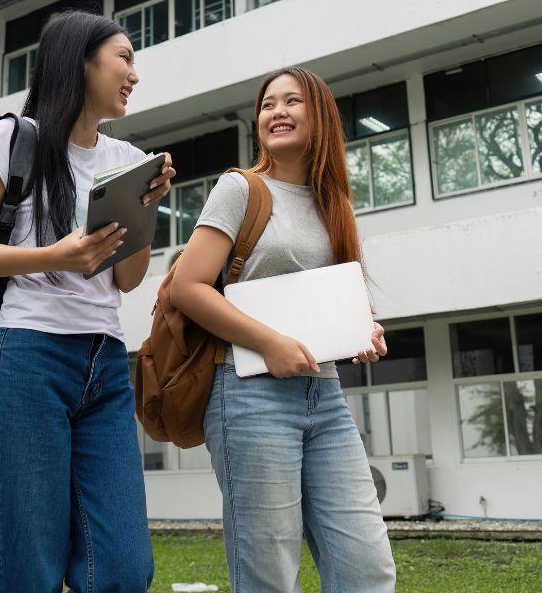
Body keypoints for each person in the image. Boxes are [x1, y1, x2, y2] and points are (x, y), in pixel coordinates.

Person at [0, 9, 175, 592]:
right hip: (27, 356)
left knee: (122, 567)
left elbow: (127, 281)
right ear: (82, 60)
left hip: (106, 361)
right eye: (124, 57)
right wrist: (54, 257)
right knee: (28, 561)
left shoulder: (127, 160)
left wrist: (144, 212)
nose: (134, 75)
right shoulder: (16, 137)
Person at [169, 67, 396, 592]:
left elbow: (330, 296)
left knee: (366, 567)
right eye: (268, 104)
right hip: (249, 396)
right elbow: (189, 286)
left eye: (293, 101)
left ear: (320, 116)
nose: (277, 112)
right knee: (269, 574)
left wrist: (365, 329)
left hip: (326, 393)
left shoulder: (333, 202)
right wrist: (268, 342)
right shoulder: (240, 188)